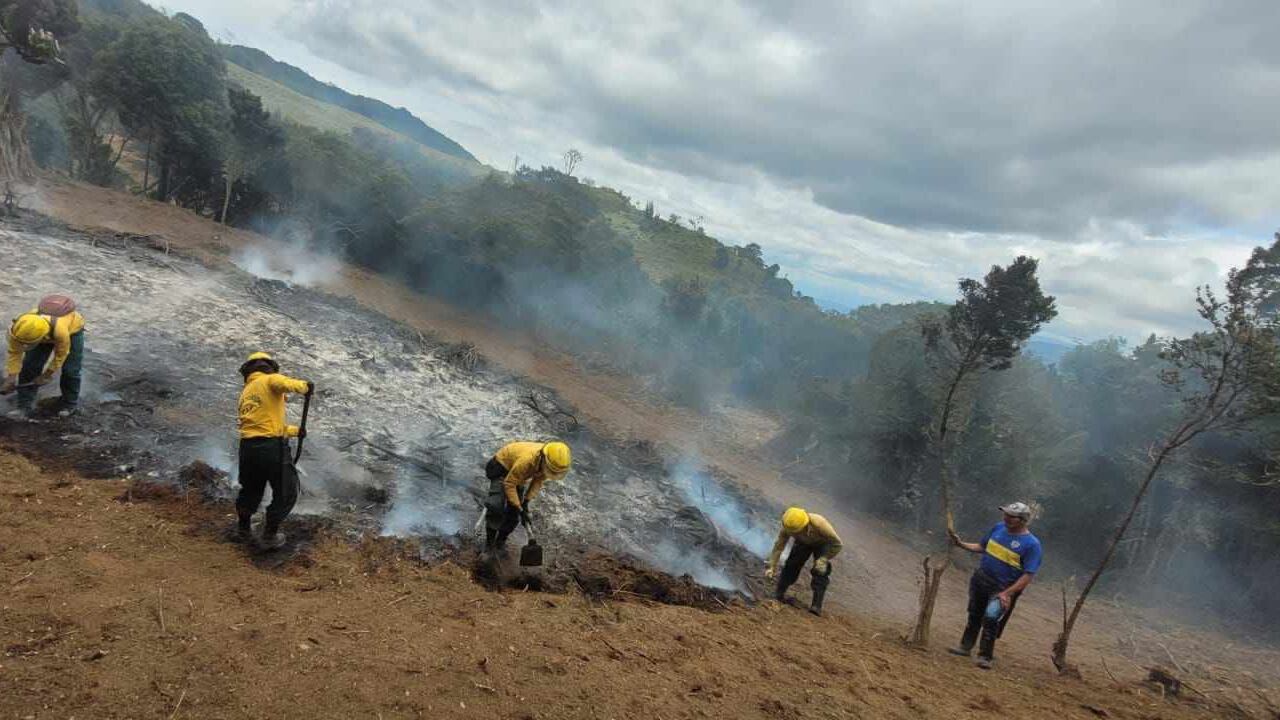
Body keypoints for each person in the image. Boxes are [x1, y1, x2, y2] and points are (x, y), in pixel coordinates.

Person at [947, 501, 1043, 669]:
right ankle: (965, 647)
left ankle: (985, 656)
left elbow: (1028, 575)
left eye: (1011, 517)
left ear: (1022, 520)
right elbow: (982, 547)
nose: (1006, 518)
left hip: (1003, 588)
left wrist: (1007, 593)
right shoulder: (998, 528)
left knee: (991, 617)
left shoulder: (1032, 544)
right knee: (975, 614)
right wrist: (961, 544)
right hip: (981, 579)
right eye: (1005, 514)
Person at [236, 352, 312, 550]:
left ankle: (243, 529)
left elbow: (263, 425)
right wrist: (304, 387)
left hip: (248, 448)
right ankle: (269, 535)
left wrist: (296, 431)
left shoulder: (246, 393)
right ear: (268, 366)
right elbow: (284, 383)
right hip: (271, 448)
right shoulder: (270, 379)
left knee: (251, 489)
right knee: (286, 491)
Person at [3, 295, 85, 417]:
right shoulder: (19, 328)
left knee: (70, 370)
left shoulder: (60, 331)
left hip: (72, 331)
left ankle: (69, 404)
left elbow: (60, 355)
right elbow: (14, 353)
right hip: (43, 335)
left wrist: (46, 375)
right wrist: (11, 377)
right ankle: (24, 406)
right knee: (29, 366)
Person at [483, 441, 571, 552]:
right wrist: (519, 506)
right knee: (496, 506)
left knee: (514, 516)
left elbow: (538, 481)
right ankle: (489, 543)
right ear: (543, 458)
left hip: (517, 475)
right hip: (501, 468)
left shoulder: (548, 462)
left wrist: (525, 503)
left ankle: (500, 541)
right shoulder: (527, 461)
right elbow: (509, 483)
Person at [765, 506, 843, 616]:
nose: (796, 534)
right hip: (803, 543)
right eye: (794, 533)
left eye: (798, 531)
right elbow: (778, 547)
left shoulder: (819, 523)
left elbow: (837, 544)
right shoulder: (788, 527)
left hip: (822, 543)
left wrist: (824, 559)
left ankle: (816, 605)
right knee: (791, 565)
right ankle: (779, 593)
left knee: (820, 571)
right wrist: (771, 566)